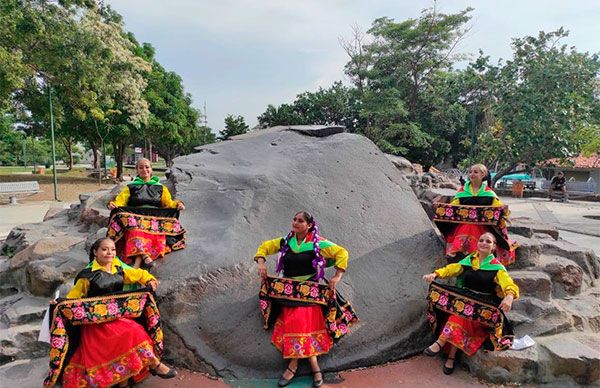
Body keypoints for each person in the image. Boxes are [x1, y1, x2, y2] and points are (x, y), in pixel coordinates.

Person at [49, 238, 176, 387]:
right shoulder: (87, 276)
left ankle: (132, 376)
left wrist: (150, 280)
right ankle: (154, 365)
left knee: (135, 329)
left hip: (115, 318)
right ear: (95, 252)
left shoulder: (119, 269)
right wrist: (59, 303)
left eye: (113, 249)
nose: (109, 252)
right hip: (95, 325)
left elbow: (139, 274)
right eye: (104, 249)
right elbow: (72, 298)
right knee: (129, 332)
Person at [254, 211, 349, 388]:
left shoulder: (318, 243)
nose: (296, 223)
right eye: (294, 220)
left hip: (310, 293)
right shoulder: (286, 241)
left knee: (299, 320)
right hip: (289, 293)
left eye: (300, 221)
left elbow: (342, 253)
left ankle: (293, 365)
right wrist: (261, 263)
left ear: (309, 225)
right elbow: (264, 247)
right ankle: (315, 367)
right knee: (299, 322)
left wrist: (337, 276)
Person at [422, 232, 519, 374]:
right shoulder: (470, 260)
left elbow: (508, 283)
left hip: (482, 308)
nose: (484, 243)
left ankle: (440, 343)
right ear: (478, 243)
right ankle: (451, 357)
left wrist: (509, 296)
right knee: (461, 312)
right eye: (481, 240)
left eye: (488, 241)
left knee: (461, 313)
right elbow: (452, 269)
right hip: (466, 301)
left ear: (493, 247)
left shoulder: (497, 268)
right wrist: (435, 274)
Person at [107, 158, 185, 268]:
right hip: (135, 218)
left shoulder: (161, 188)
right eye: (141, 167)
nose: (144, 169)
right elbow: (119, 202)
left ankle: (137, 264)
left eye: (147, 167)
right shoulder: (130, 187)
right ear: (137, 170)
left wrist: (178, 204)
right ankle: (144, 256)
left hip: (154, 218)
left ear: (151, 169)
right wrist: (112, 204)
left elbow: (169, 203)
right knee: (134, 228)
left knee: (146, 229)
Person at [435, 163, 516, 266]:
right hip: (463, 223)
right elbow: (453, 207)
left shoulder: (489, 193)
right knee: (468, 225)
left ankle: (473, 252)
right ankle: (459, 249)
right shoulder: (462, 191)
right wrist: (441, 207)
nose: (472, 174)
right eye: (470, 172)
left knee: (472, 226)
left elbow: (499, 208)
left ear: (483, 175)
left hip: (484, 225)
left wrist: (505, 210)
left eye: (475, 172)